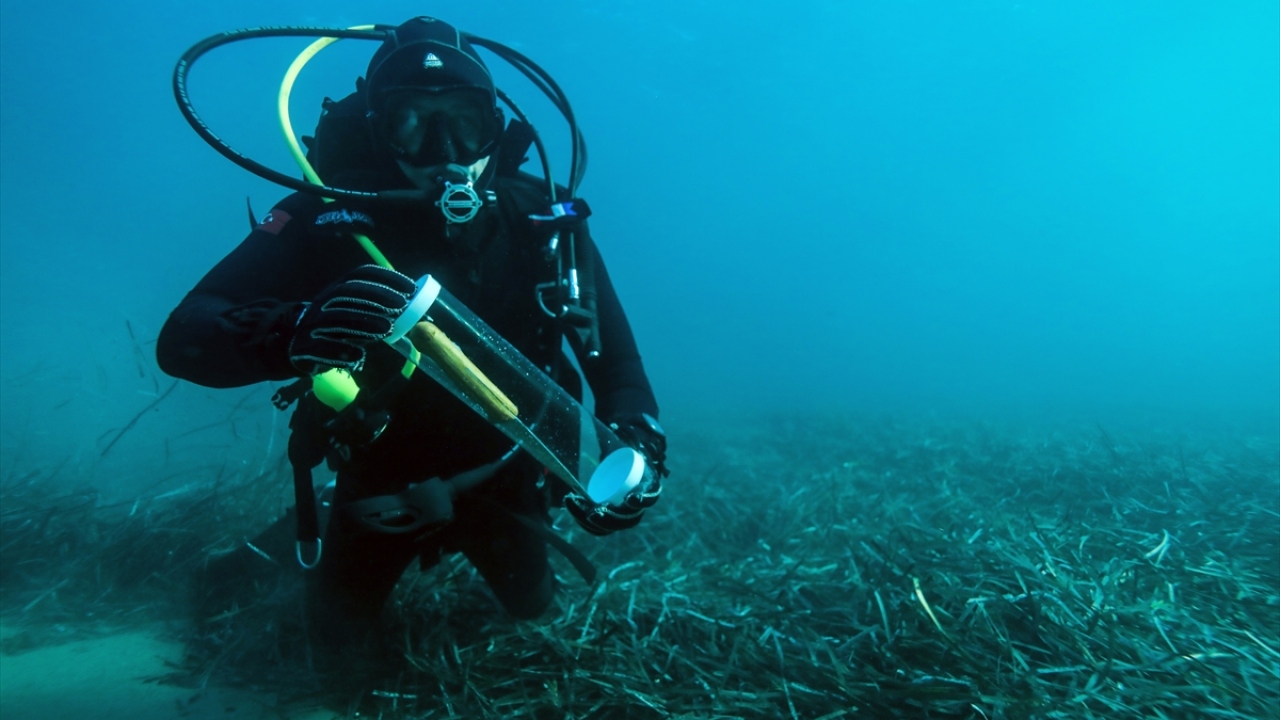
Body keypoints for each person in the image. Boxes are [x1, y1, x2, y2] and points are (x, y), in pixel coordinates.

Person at [157, 16, 666, 647]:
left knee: (535, 610)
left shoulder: (542, 219)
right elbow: (183, 337)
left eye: (464, 121)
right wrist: (294, 326)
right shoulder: (324, 217)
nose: (445, 152)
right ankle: (261, 557)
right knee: (337, 651)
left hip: (507, 472)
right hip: (377, 482)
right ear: (377, 132)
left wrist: (639, 443)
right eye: (411, 123)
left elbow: (615, 363)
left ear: (495, 128)